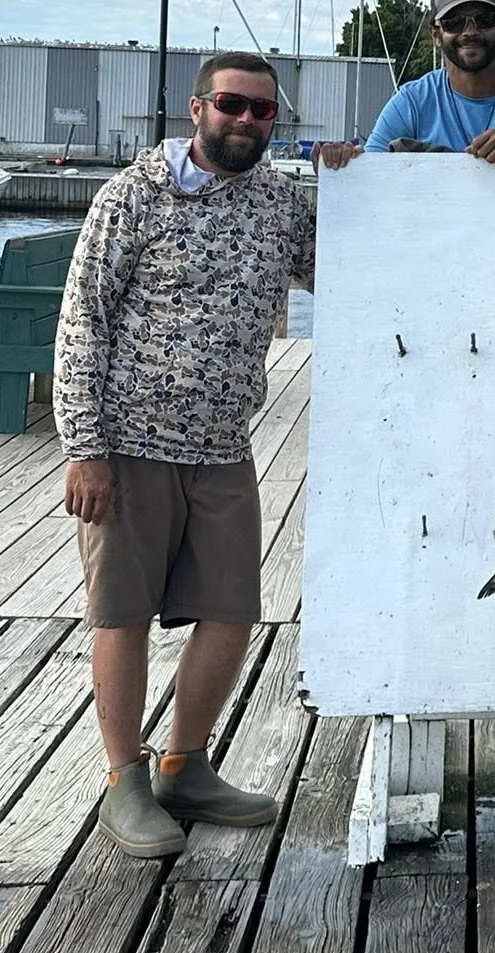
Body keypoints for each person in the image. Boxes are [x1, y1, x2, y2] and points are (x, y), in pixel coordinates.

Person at [55, 52, 316, 860]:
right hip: (127, 444)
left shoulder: (282, 203)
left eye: (262, 113)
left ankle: (185, 763)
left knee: (233, 609)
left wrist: (359, 173)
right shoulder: (130, 196)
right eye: (232, 105)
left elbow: (353, 271)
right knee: (122, 613)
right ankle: (123, 779)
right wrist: (84, 447)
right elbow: (82, 321)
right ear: (198, 108)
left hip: (223, 444)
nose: (245, 122)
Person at [313, 0, 495, 169]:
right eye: (453, 23)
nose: (470, 32)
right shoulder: (412, 101)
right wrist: (339, 162)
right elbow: (371, 172)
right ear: (436, 35)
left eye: (484, 20)